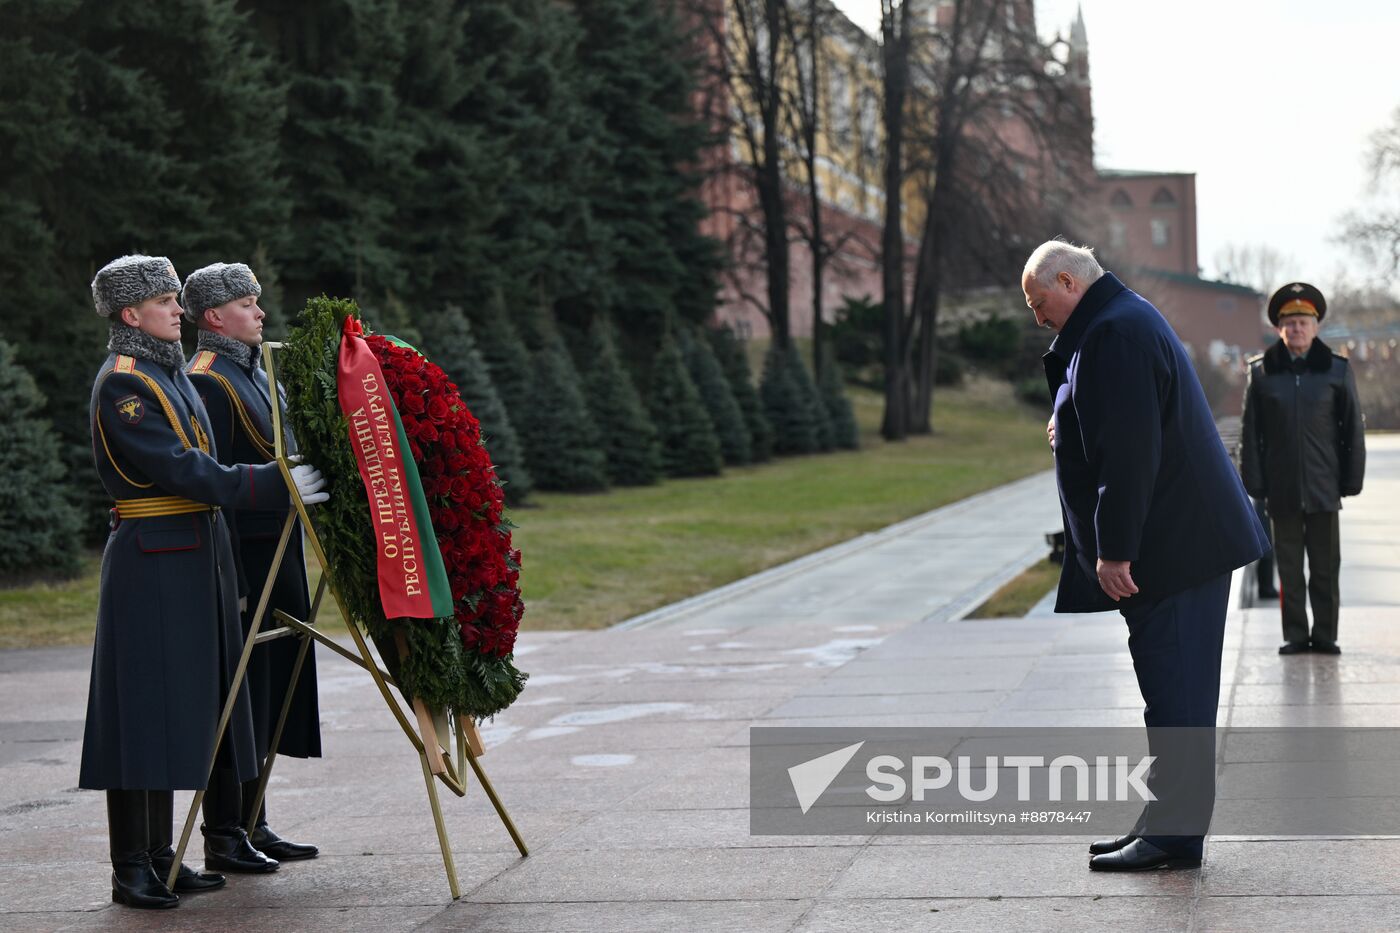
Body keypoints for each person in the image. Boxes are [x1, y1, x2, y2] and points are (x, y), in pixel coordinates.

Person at [79, 255, 328, 909]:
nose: (177, 310)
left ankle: (164, 856)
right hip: (152, 554)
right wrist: (272, 483)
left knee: (182, 707)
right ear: (131, 313)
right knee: (142, 714)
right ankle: (132, 864)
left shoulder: (166, 370)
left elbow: (204, 464)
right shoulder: (124, 382)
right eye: (165, 301)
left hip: (195, 551)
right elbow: (184, 468)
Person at [1024, 240, 1268, 872]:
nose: (1036, 316)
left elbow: (1131, 456)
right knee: (1170, 692)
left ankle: (1175, 835)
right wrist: (1066, 414)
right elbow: (1117, 420)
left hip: (1175, 546)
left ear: (1068, 280)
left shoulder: (1114, 334)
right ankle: (1166, 821)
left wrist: (1114, 550)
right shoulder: (1118, 321)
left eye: (1038, 300)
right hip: (1182, 541)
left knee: (1177, 694)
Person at [183, 262, 322, 866]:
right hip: (245, 553)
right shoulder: (209, 379)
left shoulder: (253, 369)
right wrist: (233, 580)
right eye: (247, 304)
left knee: (270, 689)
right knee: (239, 691)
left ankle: (254, 818)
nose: (260, 313)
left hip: (279, 546)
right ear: (215, 317)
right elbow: (220, 486)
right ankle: (226, 833)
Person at [1239, 283, 1366, 655]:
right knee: (1290, 570)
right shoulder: (1262, 375)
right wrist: (1255, 482)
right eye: (1290, 323)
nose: (1297, 329)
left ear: (1315, 327)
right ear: (1280, 328)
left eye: (1303, 322)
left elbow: (1352, 432)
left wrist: (1351, 479)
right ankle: (1296, 635)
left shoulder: (1337, 371)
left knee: (1325, 568)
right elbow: (1252, 433)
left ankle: (1325, 635)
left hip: (1325, 487)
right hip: (1282, 489)